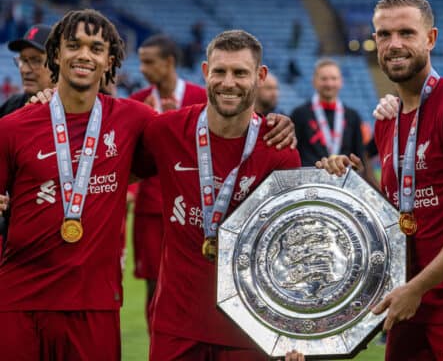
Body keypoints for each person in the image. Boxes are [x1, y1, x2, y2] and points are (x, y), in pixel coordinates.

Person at [325, 0, 443, 360]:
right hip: (406, 302)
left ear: (430, 39)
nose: (394, 44)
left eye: (406, 33)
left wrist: (416, 287)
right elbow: (401, 210)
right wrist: (357, 182)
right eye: (384, 35)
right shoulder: (389, 121)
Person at [136, 30, 303, 361]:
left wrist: (295, 329)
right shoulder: (165, 131)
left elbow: (291, 248)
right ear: (204, 73)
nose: (229, 82)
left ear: (260, 76)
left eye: (240, 72)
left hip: (250, 330)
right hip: (176, 326)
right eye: (220, 71)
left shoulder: (279, 149)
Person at [0, 9, 155, 360]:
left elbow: (203, 136)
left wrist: (271, 125)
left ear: (109, 60)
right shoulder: (11, 127)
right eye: (74, 45)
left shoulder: (135, 120)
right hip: (19, 301)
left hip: (94, 305)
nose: (84, 55)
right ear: (57, 54)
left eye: (96, 48)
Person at [129, 33, 207, 329]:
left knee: (196, 281)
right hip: (151, 208)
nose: (143, 69)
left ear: (169, 62)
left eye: (149, 62)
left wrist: (175, 125)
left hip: (195, 208)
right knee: (153, 284)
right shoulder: (138, 103)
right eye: (141, 62)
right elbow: (133, 159)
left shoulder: (201, 99)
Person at [290, 58, 366, 168]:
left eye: (334, 78)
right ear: (314, 82)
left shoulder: (353, 116)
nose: (329, 84)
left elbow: (359, 155)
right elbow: (294, 153)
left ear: (341, 81)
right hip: (311, 180)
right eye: (324, 79)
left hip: (342, 181)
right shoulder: (299, 114)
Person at [0, 23, 53, 117]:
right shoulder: (12, 105)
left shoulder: (71, 109)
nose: (24, 70)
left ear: (57, 64)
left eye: (36, 61)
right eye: (23, 60)